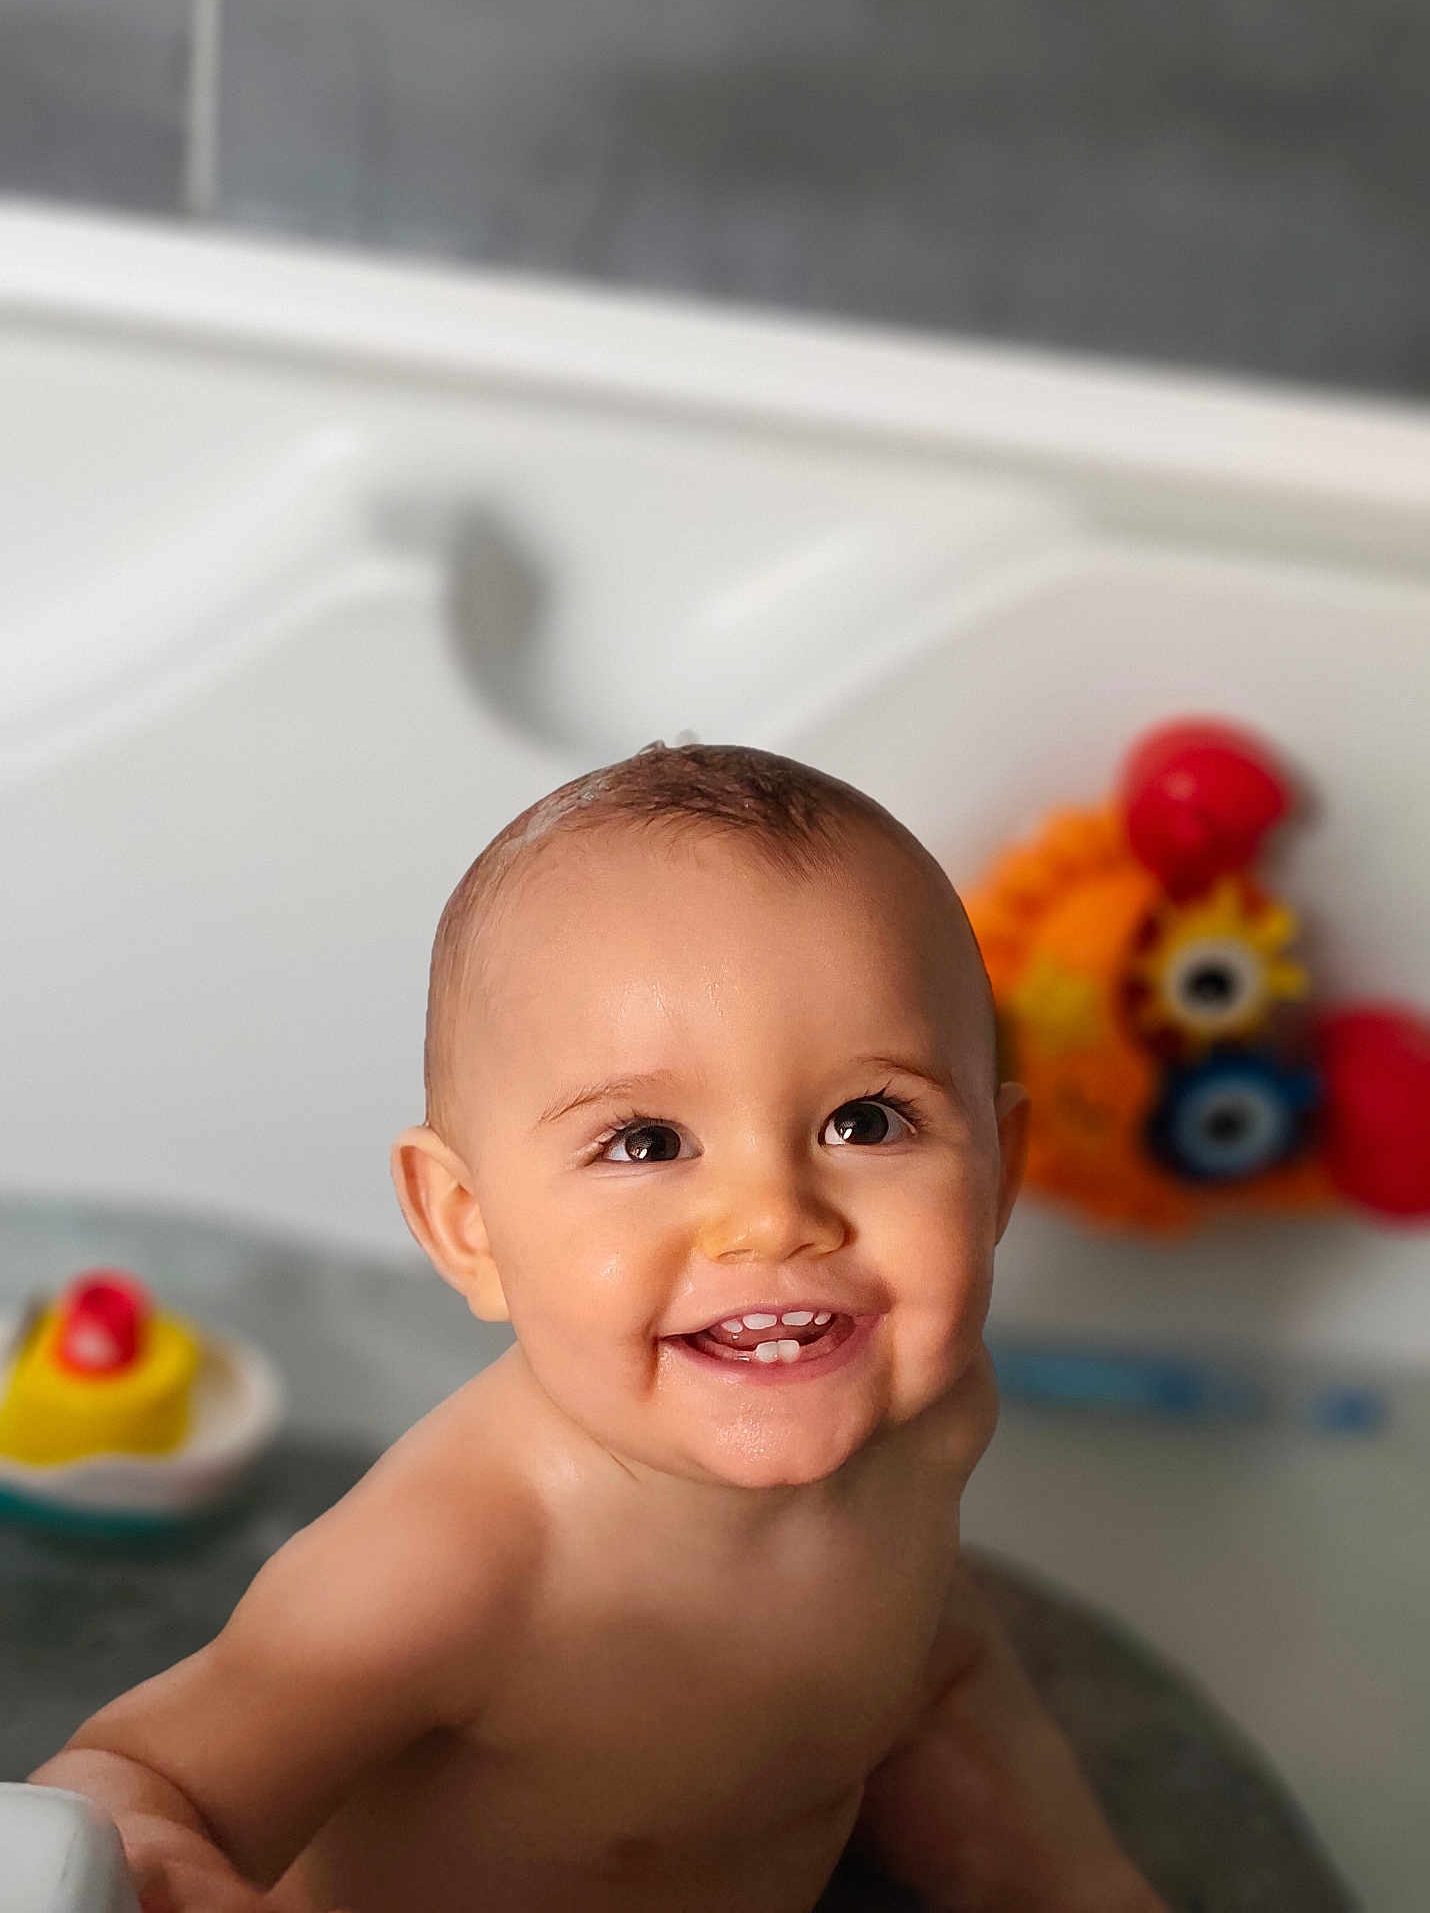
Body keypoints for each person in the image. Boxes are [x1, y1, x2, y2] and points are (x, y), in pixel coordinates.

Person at [31, 743, 1166, 1912]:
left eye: (867, 1120)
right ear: (468, 1227)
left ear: (998, 1173)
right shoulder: (458, 1564)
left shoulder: (932, 1414)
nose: (773, 1221)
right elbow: (136, 1778)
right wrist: (157, 1859)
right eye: (647, 1143)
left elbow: (929, 1662)